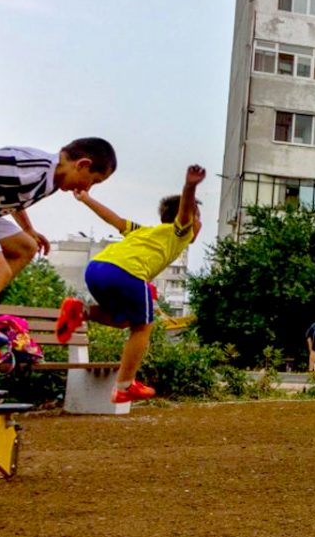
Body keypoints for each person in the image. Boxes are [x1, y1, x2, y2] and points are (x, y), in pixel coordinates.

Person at [0, 139, 117, 369]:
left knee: (25, 247)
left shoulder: (51, 181)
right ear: (82, 164)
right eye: (93, 181)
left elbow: (12, 195)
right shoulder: (34, 166)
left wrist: (28, 229)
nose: (87, 189)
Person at [57, 165, 205, 403]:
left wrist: (86, 199)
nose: (199, 224)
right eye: (198, 217)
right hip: (127, 273)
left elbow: (114, 219)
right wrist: (190, 186)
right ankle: (125, 385)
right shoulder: (179, 232)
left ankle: (80, 310)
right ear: (189, 217)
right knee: (143, 326)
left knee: (124, 320)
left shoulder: (143, 231)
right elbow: (186, 211)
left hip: (97, 269)